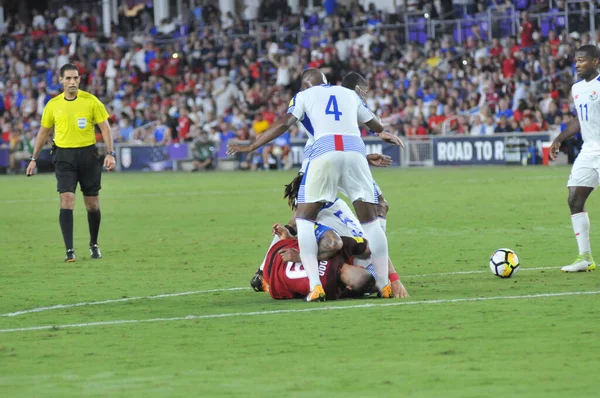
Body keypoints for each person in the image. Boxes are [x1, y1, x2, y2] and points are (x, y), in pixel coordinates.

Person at [228, 69, 401, 301]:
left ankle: (315, 286)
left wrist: (251, 146)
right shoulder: (347, 93)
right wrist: (383, 133)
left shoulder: (304, 97)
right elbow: (374, 122)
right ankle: (384, 285)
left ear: (305, 86)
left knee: (304, 220)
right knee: (371, 224)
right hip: (356, 152)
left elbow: (283, 124)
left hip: (324, 153)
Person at [26, 63, 115, 262]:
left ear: (79, 80)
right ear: (61, 80)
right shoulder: (53, 104)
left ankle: (93, 244)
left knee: (92, 204)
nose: (72, 82)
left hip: (88, 156)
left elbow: (106, 128)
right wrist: (33, 159)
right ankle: (69, 250)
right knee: (67, 199)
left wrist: (110, 153)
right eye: (68, 78)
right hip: (64, 157)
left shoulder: (91, 101)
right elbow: (43, 132)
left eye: (75, 78)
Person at [549, 45, 600, 272]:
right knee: (574, 199)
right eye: (576, 60)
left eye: (583, 60)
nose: (578, 64)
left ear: (596, 61)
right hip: (589, 151)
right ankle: (585, 257)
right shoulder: (577, 89)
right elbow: (580, 120)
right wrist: (559, 139)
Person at [263, 232, 377, 300]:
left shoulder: (342, 249)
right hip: (271, 279)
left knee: (325, 239)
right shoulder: (330, 291)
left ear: (359, 267)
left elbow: (365, 245)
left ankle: (293, 230)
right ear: (349, 287)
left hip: (279, 247)